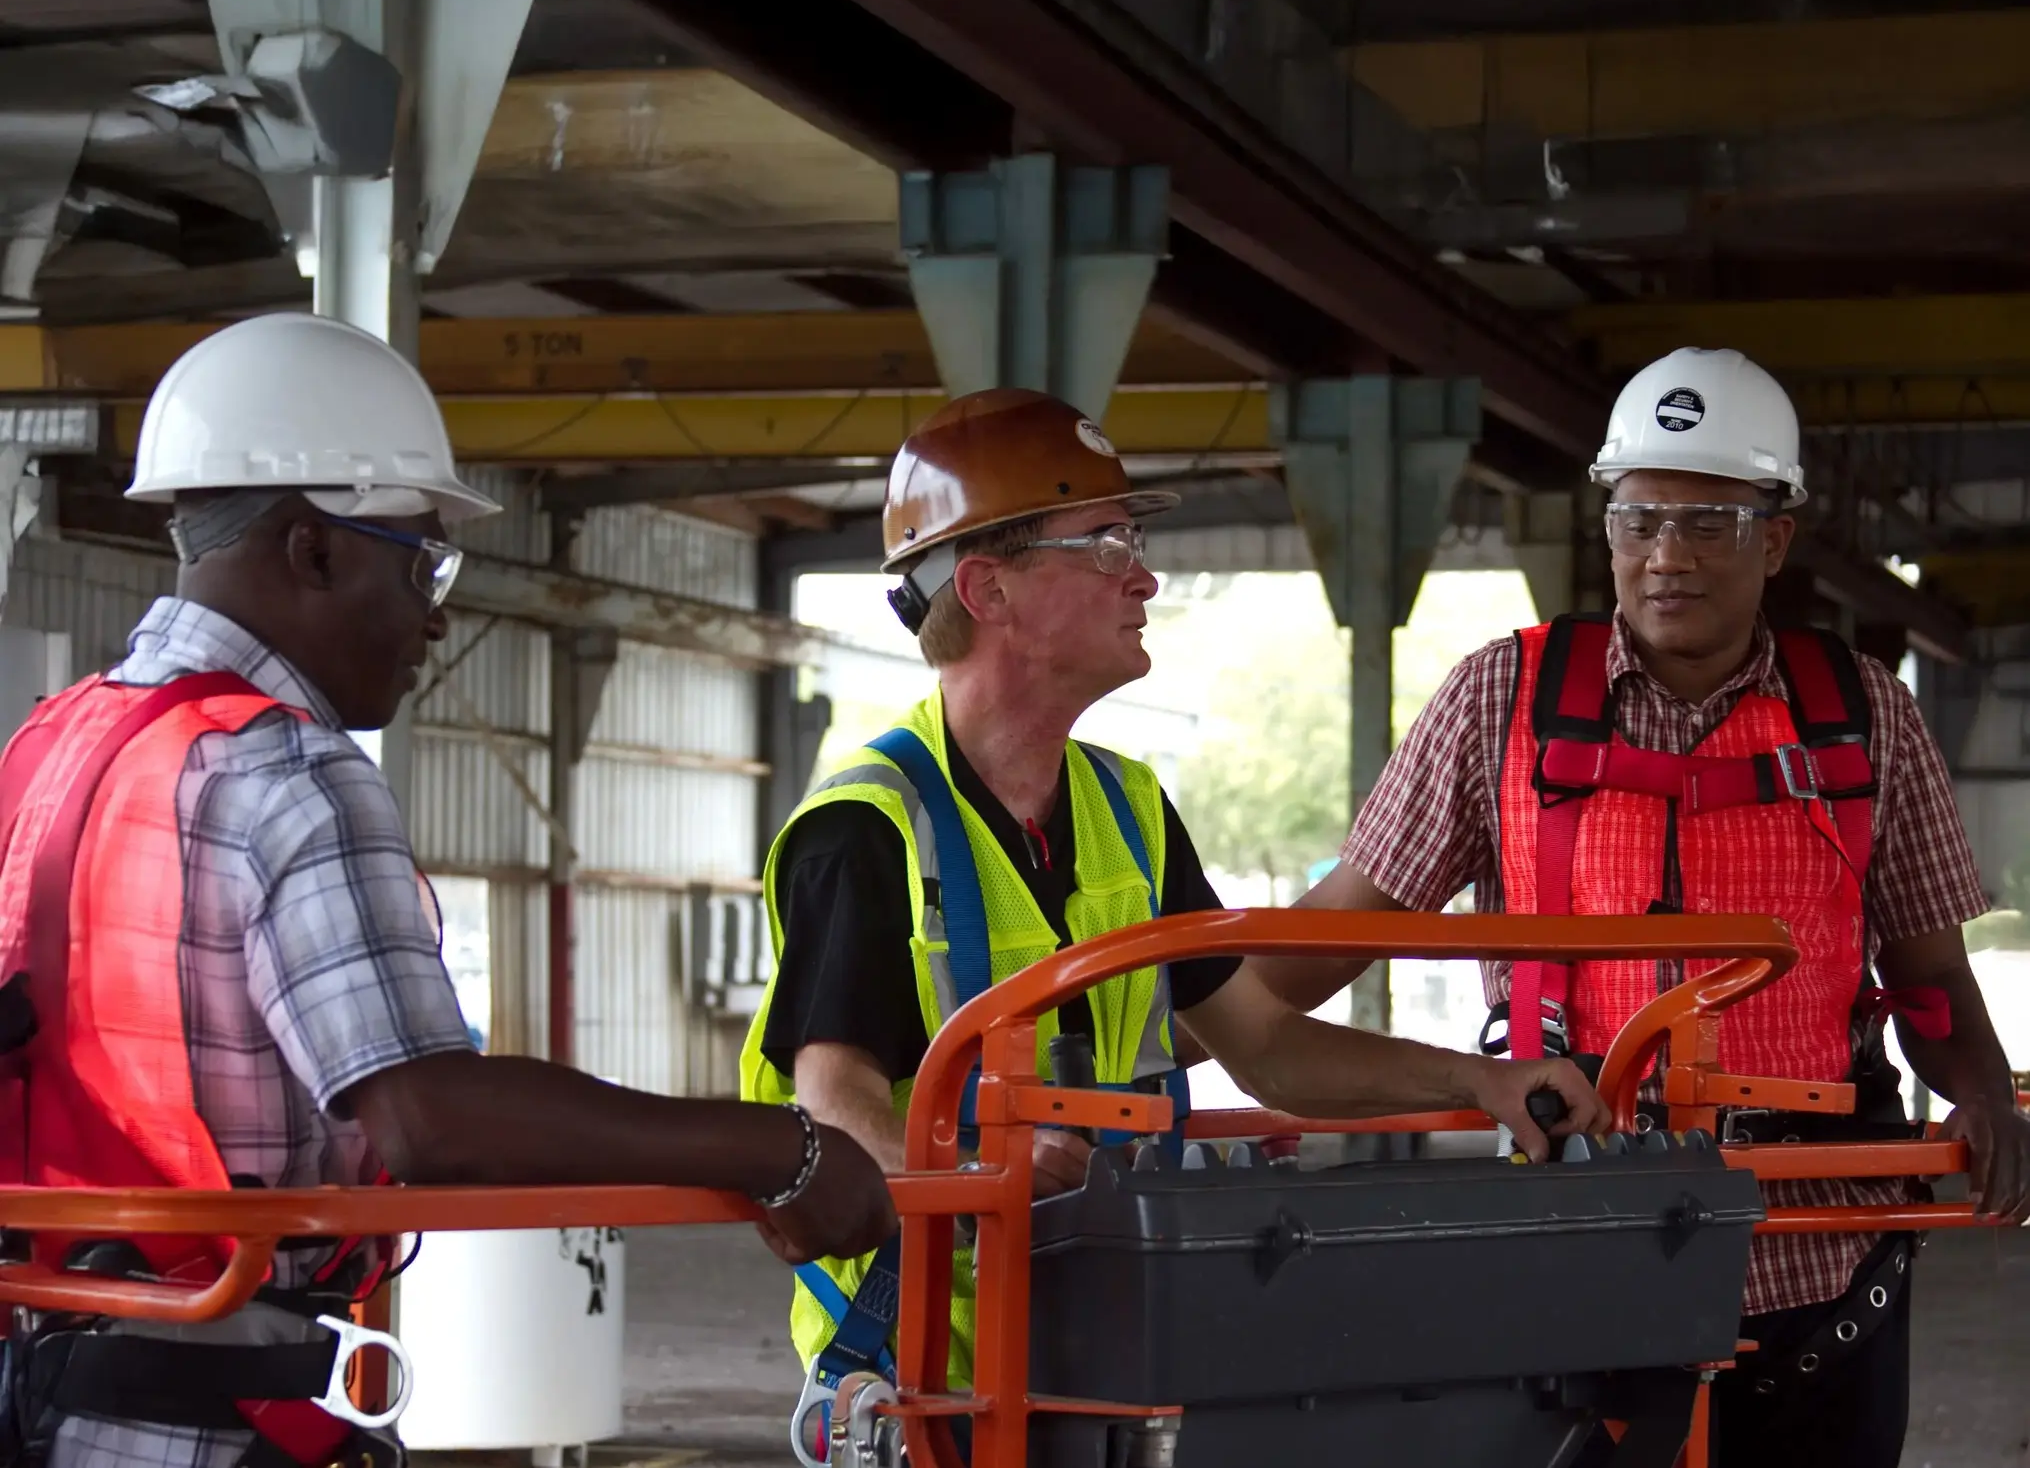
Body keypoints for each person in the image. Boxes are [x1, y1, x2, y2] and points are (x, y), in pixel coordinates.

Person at [0, 314, 895, 1468]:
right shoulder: (285, 772)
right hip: (218, 1411)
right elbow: (431, 1119)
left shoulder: (51, 745)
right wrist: (782, 1150)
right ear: (311, 547)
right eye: (418, 559)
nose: (436, 611)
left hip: (52, 1384)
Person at [738, 386, 1610, 1406]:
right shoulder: (867, 827)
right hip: (925, 1372)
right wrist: (981, 1176)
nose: (1142, 576)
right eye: (1103, 544)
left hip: (1101, 1348)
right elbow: (832, 1107)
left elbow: (1267, 1044)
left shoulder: (1129, 807)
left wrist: (1478, 1080)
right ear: (987, 589)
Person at [1262, 346, 2030, 1467]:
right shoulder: (1500, 702)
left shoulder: (1863, 719)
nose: (1666, 554)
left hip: (1822, 1265)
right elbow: (1285, 972)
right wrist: (1420, 1072)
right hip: (1573, 1258)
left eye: (1709, 524)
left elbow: (1924, 972)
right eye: (1638, 518)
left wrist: (1982, 1093)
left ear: (1774, 535)